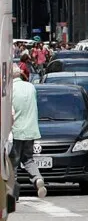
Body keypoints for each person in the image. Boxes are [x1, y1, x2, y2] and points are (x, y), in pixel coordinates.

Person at [9, 64, 46, 198]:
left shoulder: (10, 89)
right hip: (31, 129)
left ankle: (13, 192)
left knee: (13, 162)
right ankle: (37, 178)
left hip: (16, 130)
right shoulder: (30, 87)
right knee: (28, 159)